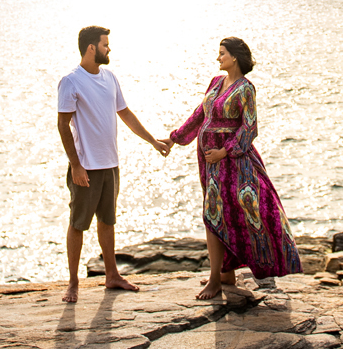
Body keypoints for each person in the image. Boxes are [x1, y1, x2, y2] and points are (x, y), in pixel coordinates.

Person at [165, 36, 302, 300]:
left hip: (232, 161)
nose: (218, 58)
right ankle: (225, 273)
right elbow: (199, 115)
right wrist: (174, 139)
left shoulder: (245, 89)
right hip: (208, 159)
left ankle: (216, 280)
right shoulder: (216, 83)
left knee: (217, 215)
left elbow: (250, 128)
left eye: (222, 53)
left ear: (235, 57)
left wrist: (224, 151)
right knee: (216, 214)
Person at [57, 25, 171, 304]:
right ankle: (73, 283)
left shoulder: (110, 77)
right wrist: (75, 165)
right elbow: (62, 125)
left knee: (108, 221)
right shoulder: (71, 81)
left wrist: (152, 141)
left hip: (110, 163)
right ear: (91, 48)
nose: (110, 49)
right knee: (78, 224)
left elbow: (125, 113)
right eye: (106, 44)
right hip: (86, 165)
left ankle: (112, 275)